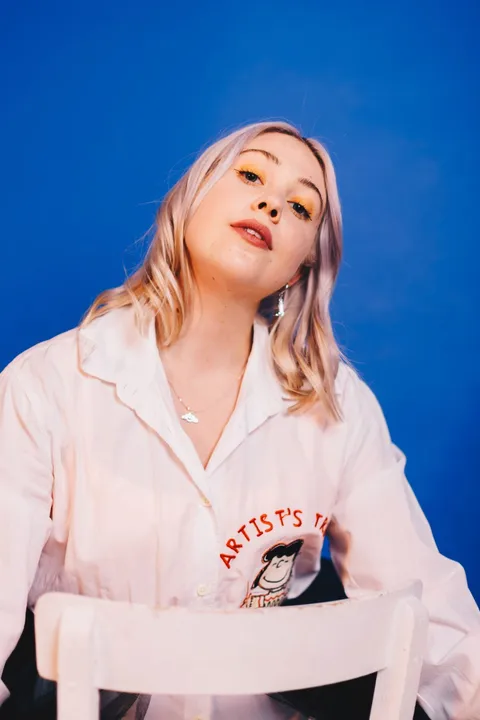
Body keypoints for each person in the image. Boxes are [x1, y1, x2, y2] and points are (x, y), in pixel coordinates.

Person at [0, 120, 478, 720]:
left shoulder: (336, 407)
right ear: (190, 200)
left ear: (300, 267)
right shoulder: (45, 386)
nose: (272, 203)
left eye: (300, 207)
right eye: (251, 175)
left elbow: (434, 616)